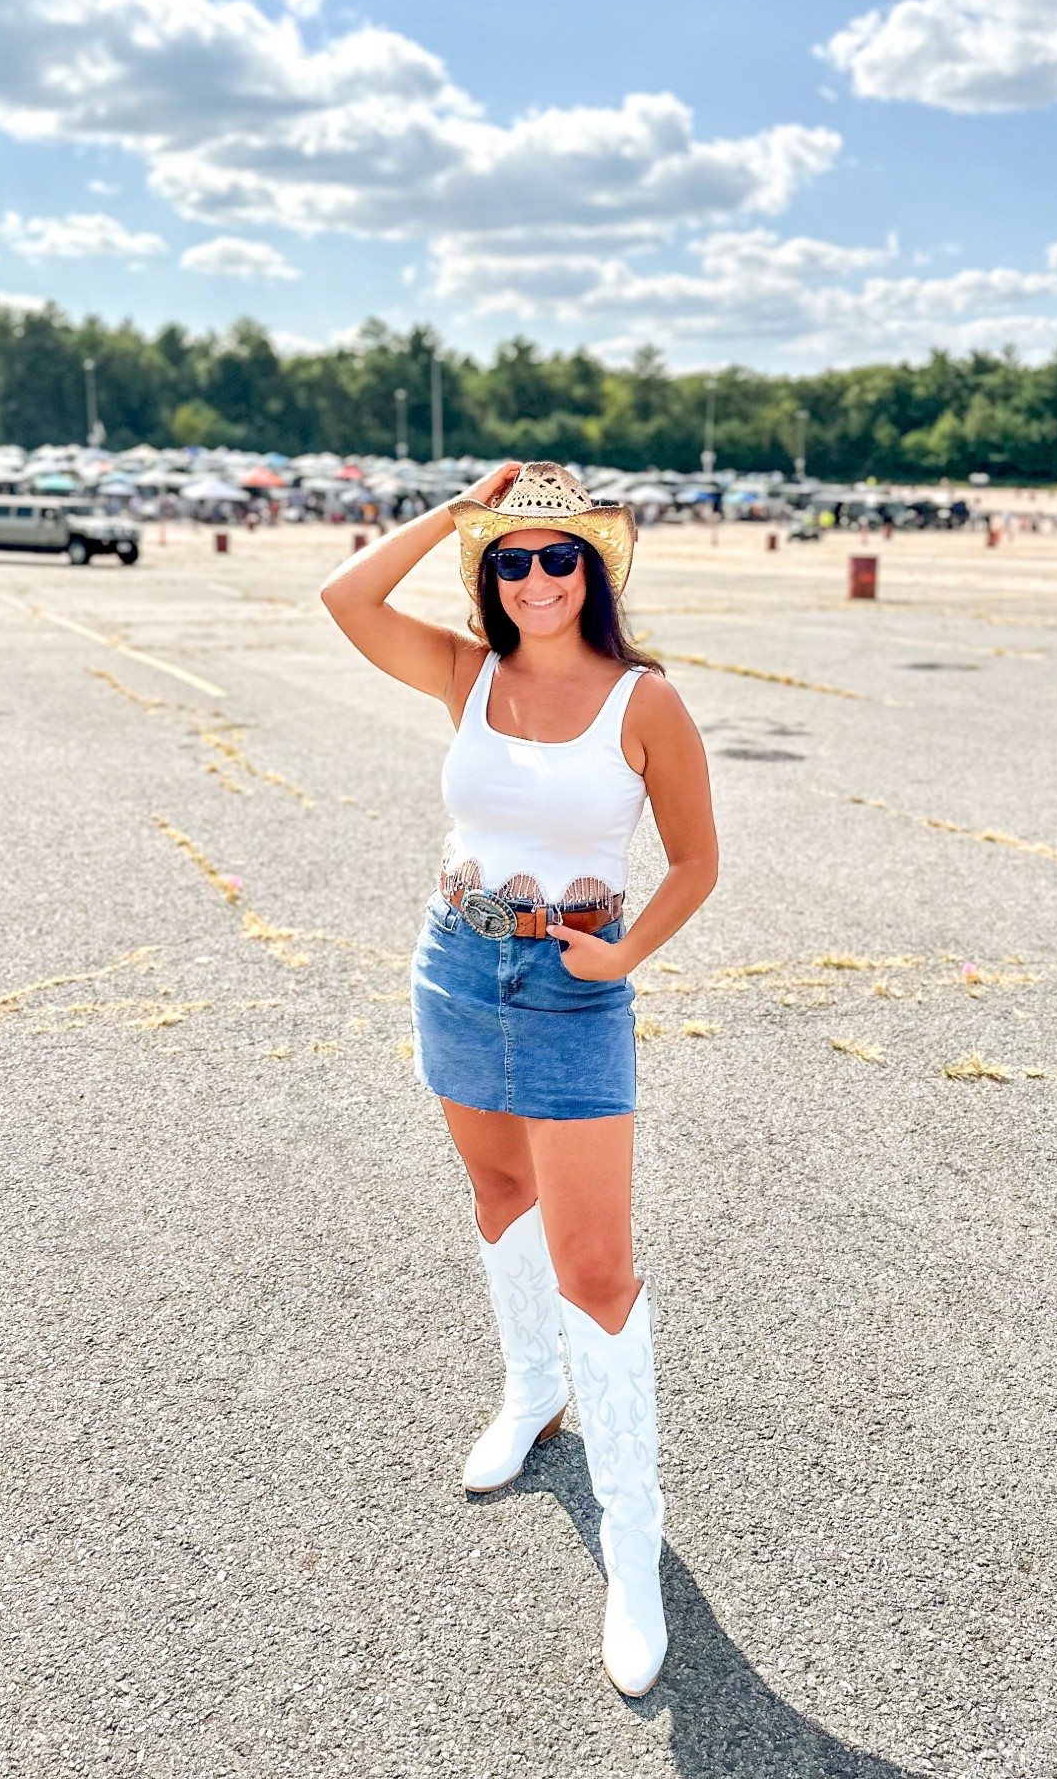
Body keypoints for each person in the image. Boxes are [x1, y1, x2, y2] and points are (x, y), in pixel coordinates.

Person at [320, 461, 718, 1697]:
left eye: (559, 556)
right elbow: (343, 596)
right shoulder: (468, 673)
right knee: (500, 1198)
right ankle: (532, 1387)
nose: (536, 576)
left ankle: (632, 1540)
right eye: (511, 558)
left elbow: (699, 859)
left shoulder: (643, 699)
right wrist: (459, 508)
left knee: (596, 1265)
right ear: (487, 575)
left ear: (594, 571)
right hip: (454, 965)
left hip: (572, 990)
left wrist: (628, 949)